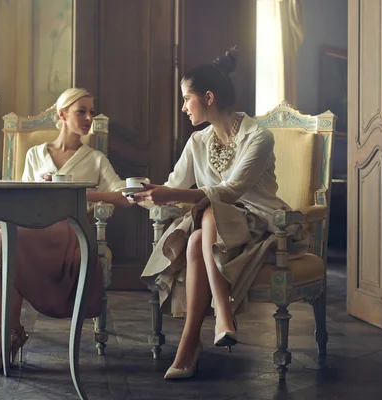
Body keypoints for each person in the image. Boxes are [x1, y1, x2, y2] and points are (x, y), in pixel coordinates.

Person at [128, 47, 308, 380]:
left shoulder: (259, 137)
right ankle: (201, 333)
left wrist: (174, 193)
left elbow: (231, 190)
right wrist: (143, 197)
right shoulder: (198, 141)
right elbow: (173, 188)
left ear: (208, 97)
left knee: (210, 210)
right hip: (216, 230)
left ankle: (203, 332)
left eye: (186, 99)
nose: (183, 107)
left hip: (261, 224)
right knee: (199, 232)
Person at [0, 88, 131, 372]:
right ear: (62, 114)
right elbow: (20, 197)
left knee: (4, 242)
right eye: (81, 111)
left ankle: (3, 343)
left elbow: (122, 196)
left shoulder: (95, 159)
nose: (88, 118)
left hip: (67, 233)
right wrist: (41, 188)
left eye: (91, 112)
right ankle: (2, 339)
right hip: (30, 223)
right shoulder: (35, 154)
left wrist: (81, 195)